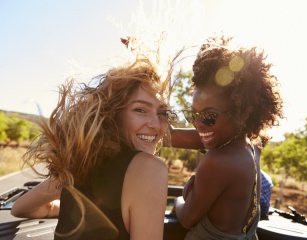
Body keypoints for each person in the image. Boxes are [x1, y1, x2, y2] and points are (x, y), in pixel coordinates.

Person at [11, 57, 174, 240]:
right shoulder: (149, 168)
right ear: (113, 114)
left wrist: (69, 211)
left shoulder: (79, 163)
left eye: (162, 113)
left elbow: (21, 208)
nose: (156, 124)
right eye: (140, 110)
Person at [172, 35, 284, 240]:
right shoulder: (248, 146)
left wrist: (178, 201)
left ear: (240, 112)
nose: (197, 124)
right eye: (193, 115)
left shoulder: (218, 161)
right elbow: (179, 137)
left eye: (209, 116)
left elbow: (187, 219)